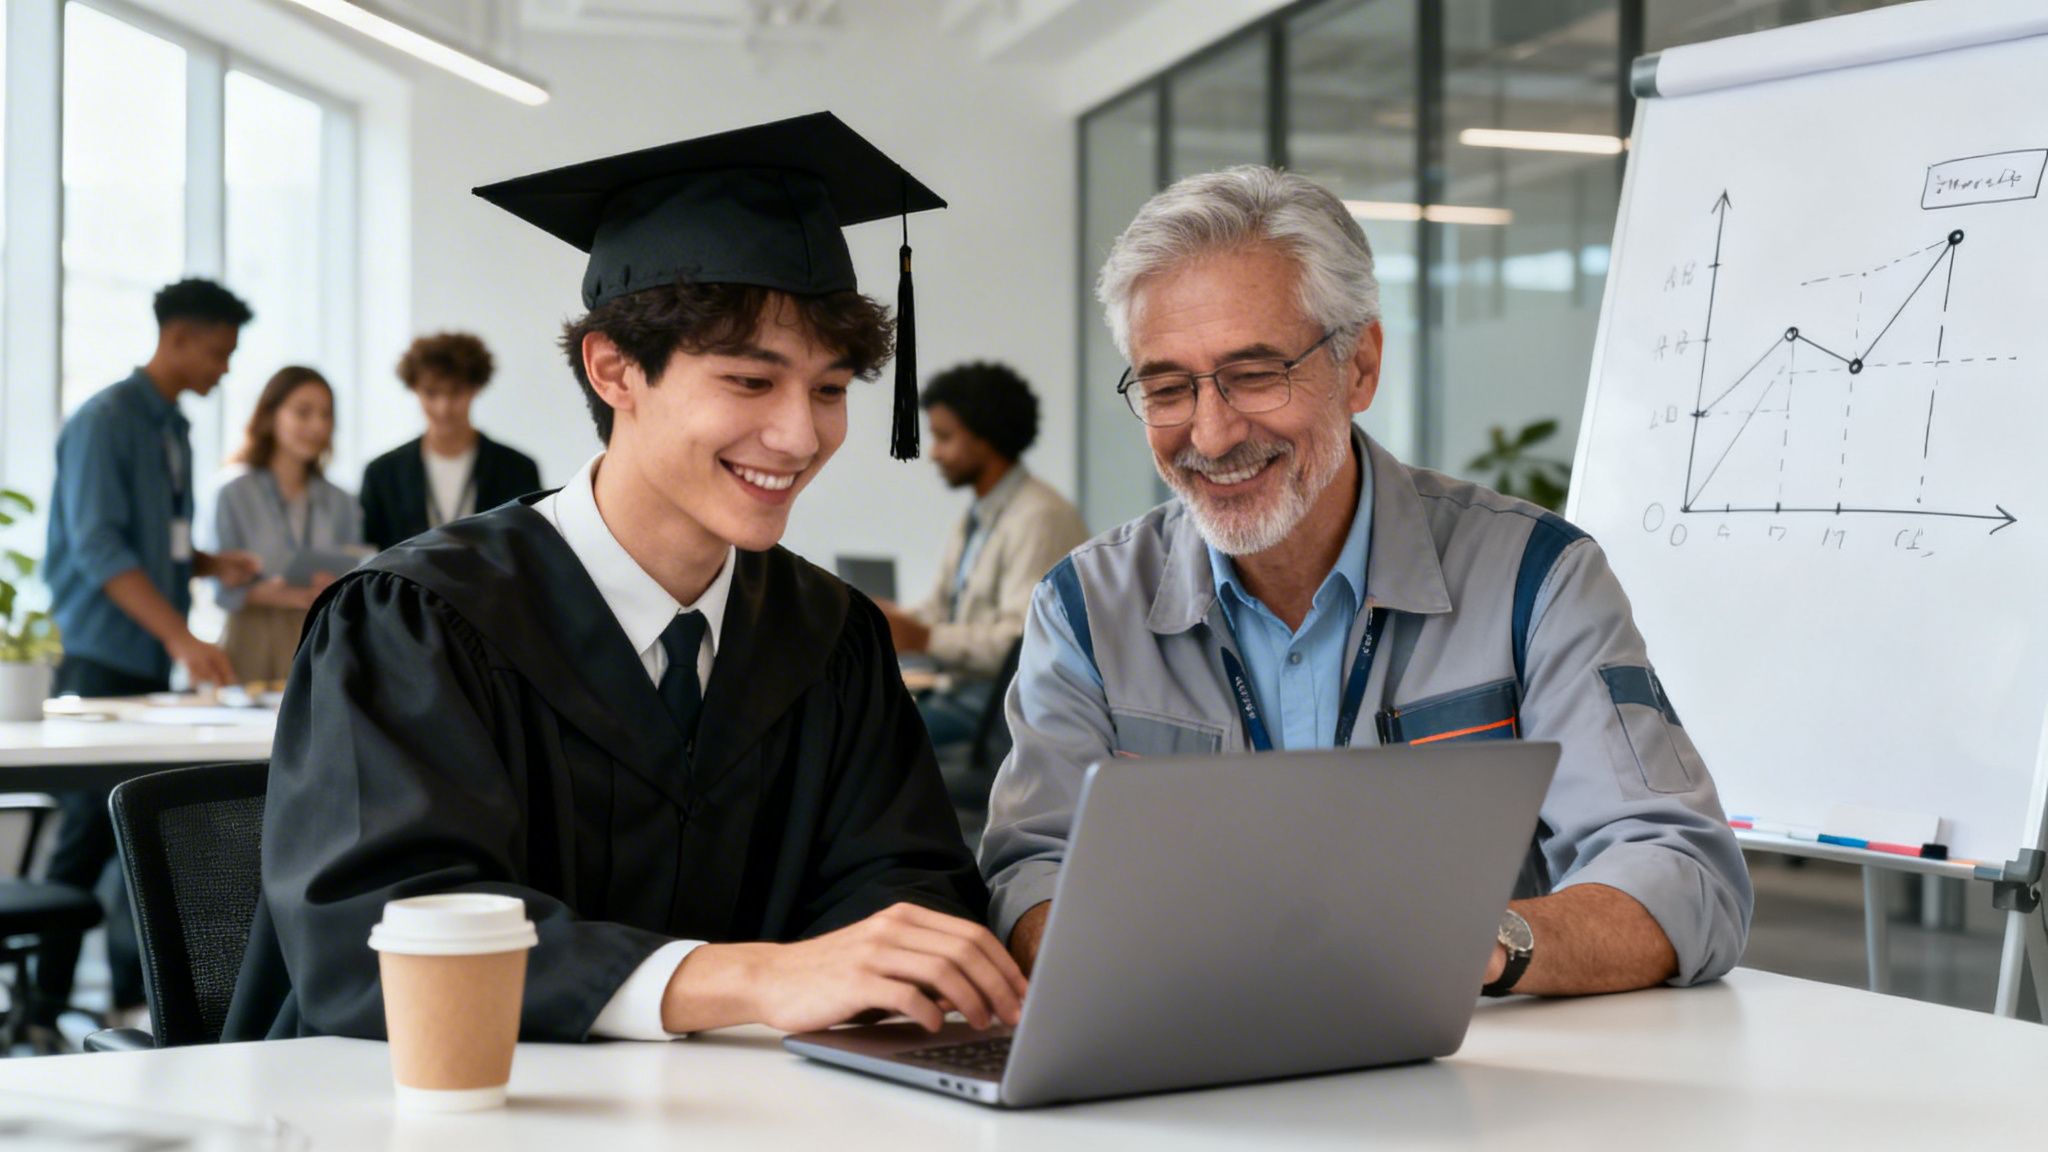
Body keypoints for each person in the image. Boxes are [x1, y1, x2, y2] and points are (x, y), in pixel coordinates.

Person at [226, 112, 1025, 1044]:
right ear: (613, 371)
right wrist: (745, 981)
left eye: (830, 388)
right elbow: (386, 938)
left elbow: (907, 880)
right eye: (750, 382)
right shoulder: (420, 621)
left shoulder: (828, 635)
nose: (802, 436)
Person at [981, 167, 1753, 998]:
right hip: (1185, 1069)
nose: (1210, 431)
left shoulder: (1539, 580)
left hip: (1476, 1081)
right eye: (1169, 389)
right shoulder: (1085, 610)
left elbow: (1683, 873)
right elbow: (1032, 869)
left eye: (1254, 374)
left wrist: (1472, 943)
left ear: (1361, 368)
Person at [40, 277, 263, 1030]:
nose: (224, 369)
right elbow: (99, 548)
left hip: (146, 655)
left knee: (129, 832)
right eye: (219, 352)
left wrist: (205, 565)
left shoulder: (172, 426)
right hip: (102, 654)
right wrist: (181, 634)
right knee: (82, 837)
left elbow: (153, 540)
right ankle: (40, 1010)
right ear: (177, 338)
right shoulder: (105, 421)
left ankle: (127, 1004)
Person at [876, 362, 1089, 748]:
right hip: (960, 697)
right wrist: (891, 622)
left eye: (944, 437)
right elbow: (944, 608)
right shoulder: (980, 514)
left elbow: (1021, 646)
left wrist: (922, 638)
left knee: (869, 743)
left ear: (984, 439)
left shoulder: (1039, 518)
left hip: (996, 718)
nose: (934, 453)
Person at [210, 366, 368, 685]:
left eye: (326, 415)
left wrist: (335, 586)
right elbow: (219, 588)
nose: (317, 425)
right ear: (271, 415)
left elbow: (355, 578)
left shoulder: (342, 501)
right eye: (303, 412)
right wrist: (277, 594)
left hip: (318, 638)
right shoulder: (233, 492)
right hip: (251, 637)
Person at [358, 332, 542, 551]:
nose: (443, 407)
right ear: (414, 389)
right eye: (431, 393)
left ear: (475, 389)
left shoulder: (517, 469)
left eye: (456, 392)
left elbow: (531, 549)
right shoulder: (383, 473)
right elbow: (368, 557)